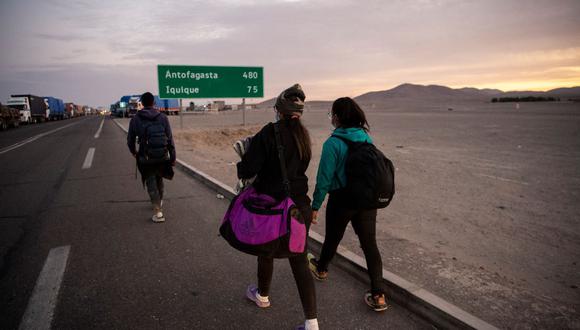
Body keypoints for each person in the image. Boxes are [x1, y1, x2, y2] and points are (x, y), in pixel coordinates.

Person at [237, 84, 318, 330]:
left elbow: (248, 169)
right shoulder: (303, 136)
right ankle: (311, 323)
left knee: (266, 250)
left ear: (278, 110)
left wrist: (245, 154)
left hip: (272, 207)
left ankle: (262, 296)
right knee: (299, 261)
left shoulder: (268, 133)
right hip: (298, 206)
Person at [309, 97, 388, 312]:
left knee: (333, 238)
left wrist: (315, 206)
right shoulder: (365, 138)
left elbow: (324, 179)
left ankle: (321, 269)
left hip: (342, 200)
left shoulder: (332, 143)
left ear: (337, 117)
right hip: (366, 200)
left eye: (332, 114)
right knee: (370, 245)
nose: (331, 118)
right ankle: (379, 294)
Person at [127, 92, 176, 223]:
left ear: (142, 103)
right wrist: (173, 158)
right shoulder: (163, 117)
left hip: (146, 157)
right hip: (162, 155)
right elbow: (170, 139)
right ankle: (159, 200)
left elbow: (130, 139)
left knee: (150, 182)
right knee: (159, 178)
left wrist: (134, 152)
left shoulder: (136, 119)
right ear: (154, 103)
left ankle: (158, 211)